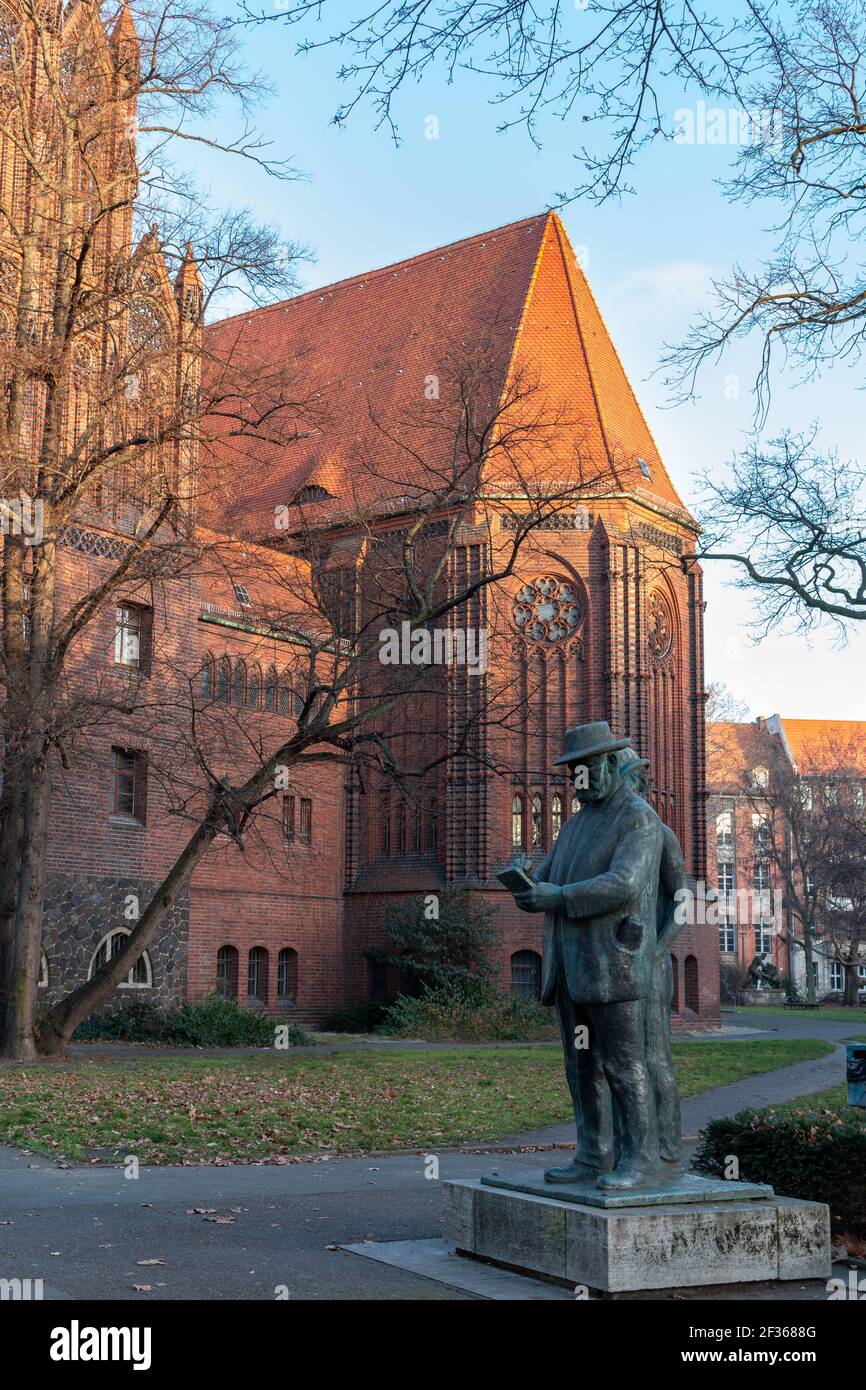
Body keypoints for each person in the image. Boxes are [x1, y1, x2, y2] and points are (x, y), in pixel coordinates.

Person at [513, 721, 664, 1190]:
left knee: (623, 1063)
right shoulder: (577, 823)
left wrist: (556, 896)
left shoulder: (637, 818)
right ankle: (591, 1153)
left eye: (588, 767)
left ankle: (639, 1161)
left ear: (610, 763)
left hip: (611, 963)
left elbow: (624, 884)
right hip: (570, 965)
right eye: (574, 770)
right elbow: (550, 869)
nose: (581, 778)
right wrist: (528, 884)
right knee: (580, 1064)